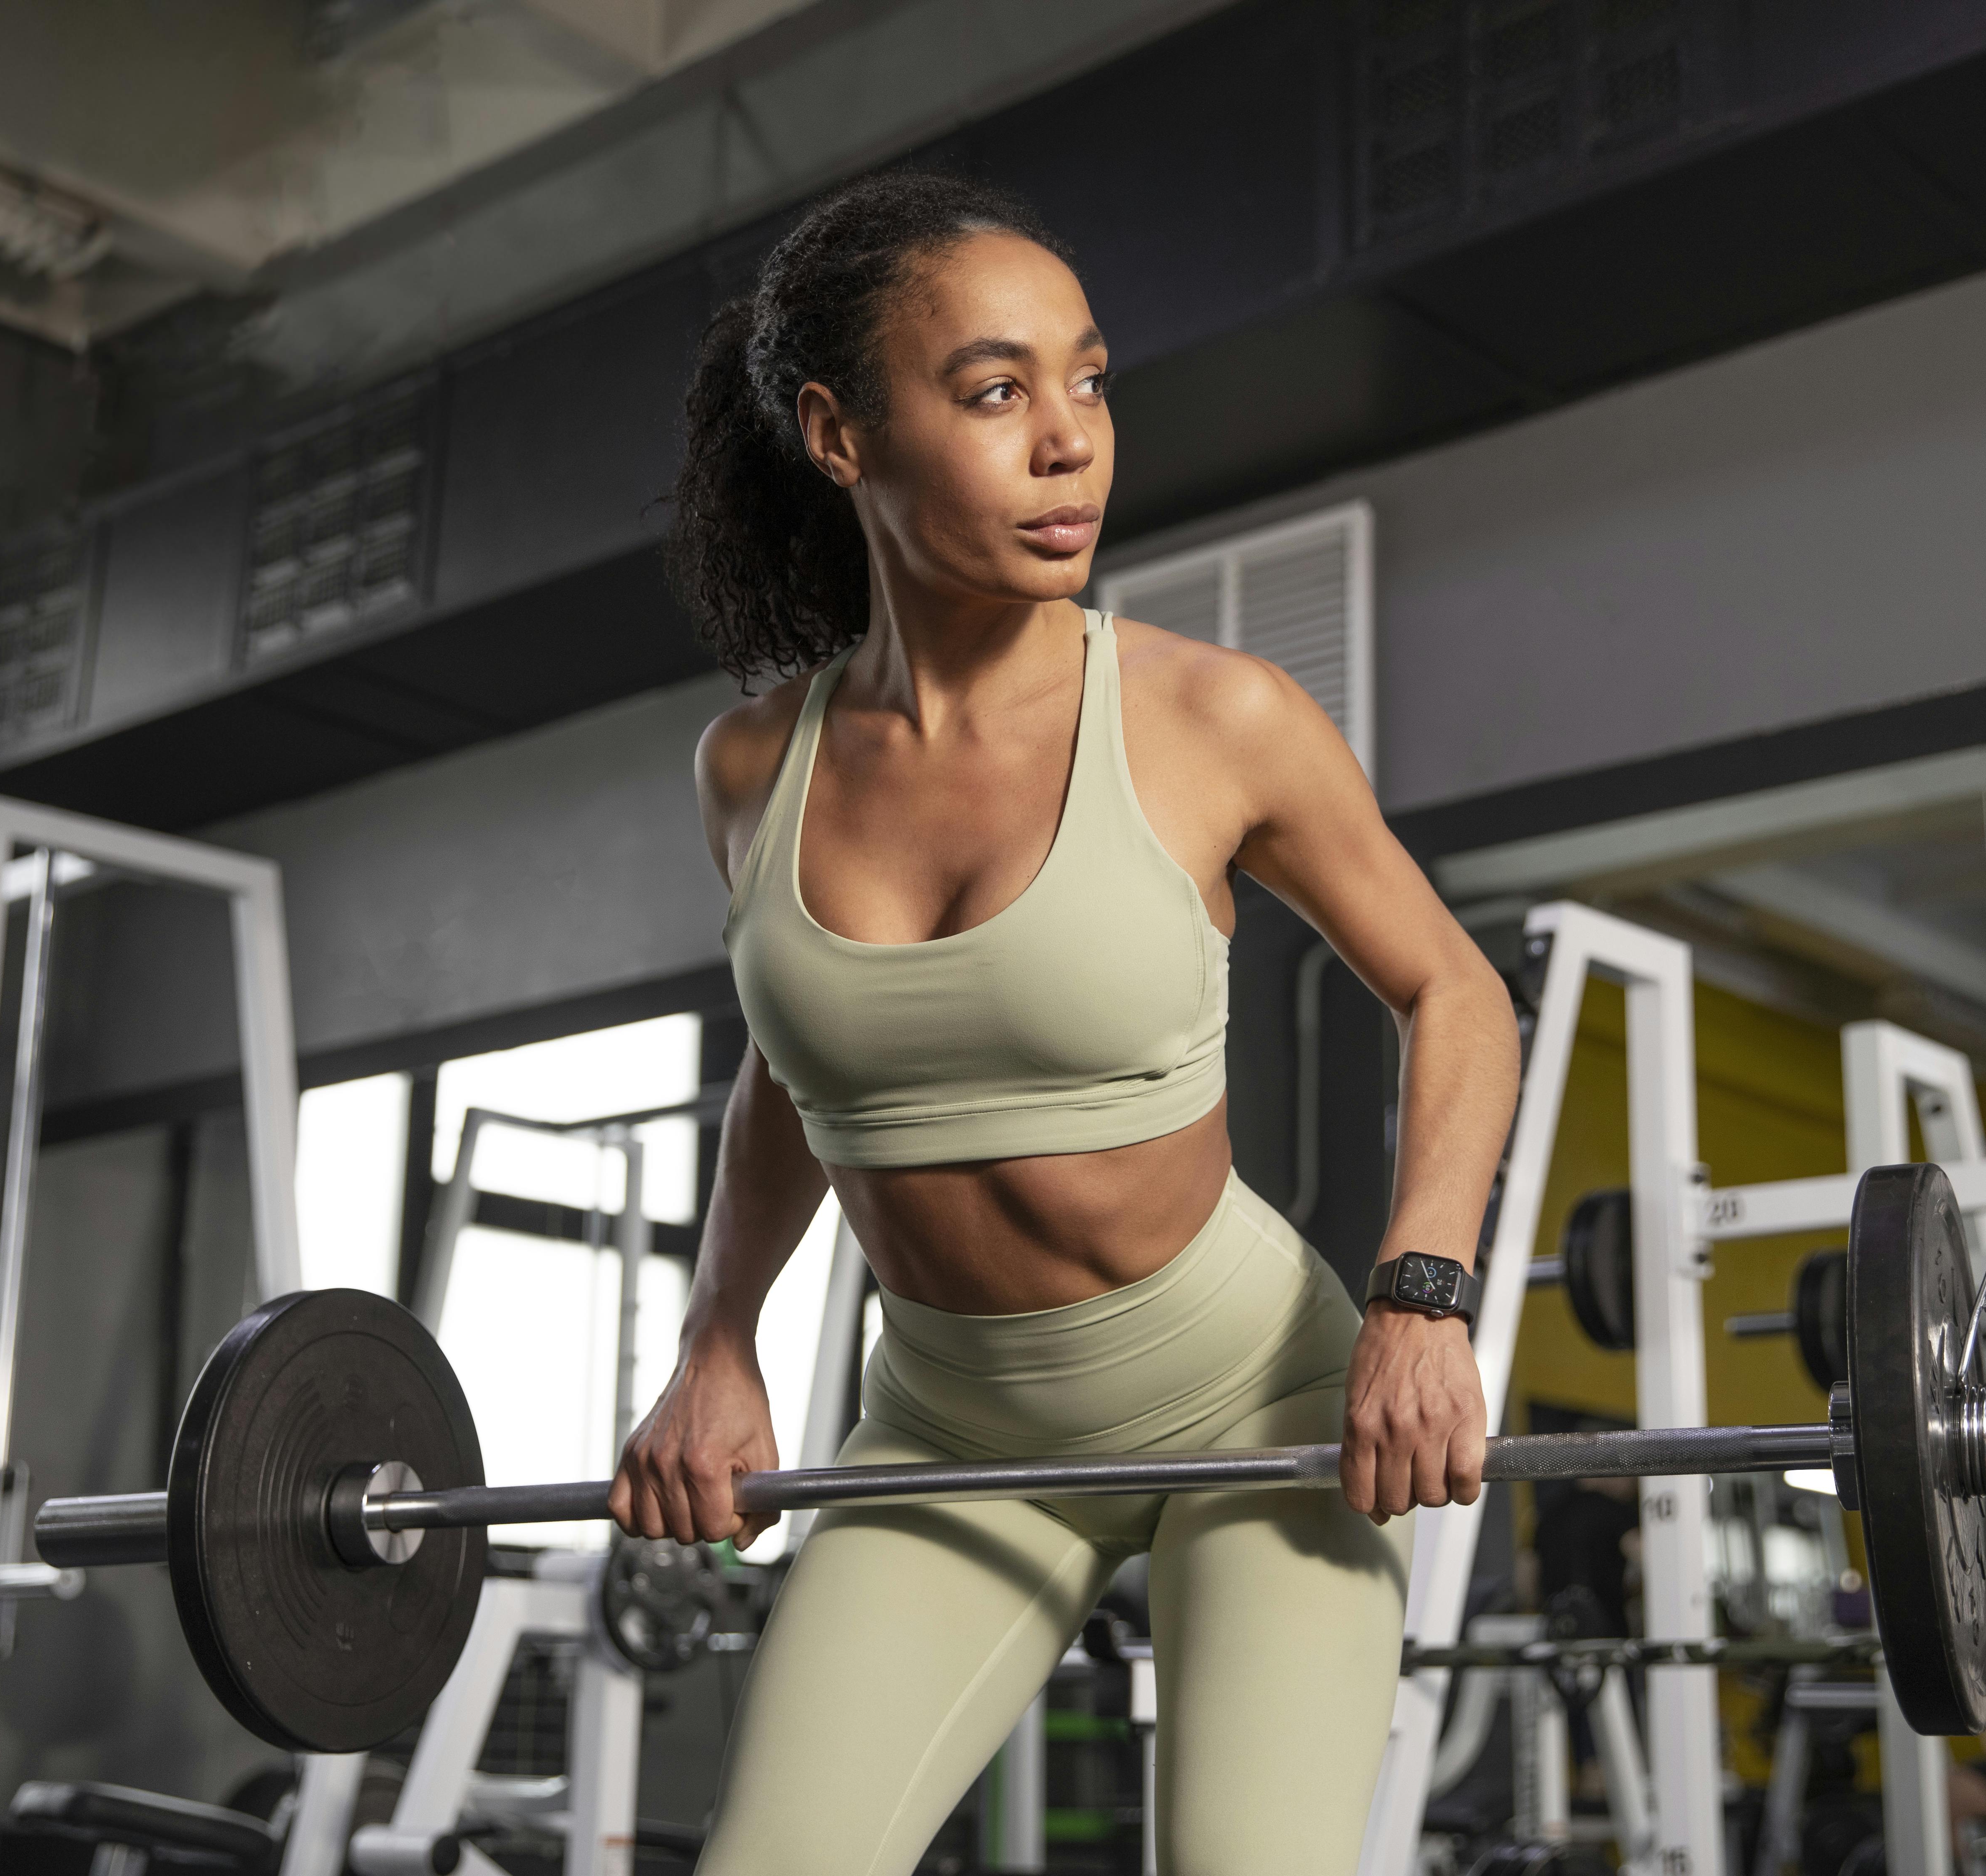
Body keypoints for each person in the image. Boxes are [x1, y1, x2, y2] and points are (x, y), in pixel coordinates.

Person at [609, 170, 1522, 1874]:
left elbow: (1451, 986)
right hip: (953, 1429)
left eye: (1089, 381)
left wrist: (1423, 1293)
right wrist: (717, 1341)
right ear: (840, 434)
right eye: (996, 390)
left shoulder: (1213, 715)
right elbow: (799, 1074)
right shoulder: (753, 768)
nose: (1070, 441)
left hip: (1256, 1402)